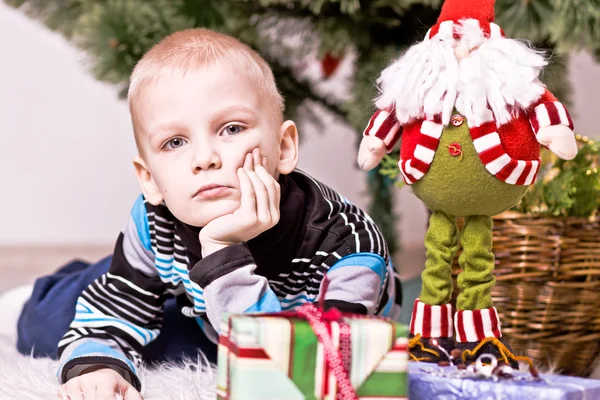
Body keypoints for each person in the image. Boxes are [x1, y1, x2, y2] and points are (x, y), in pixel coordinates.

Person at [15, 28, 402, 399]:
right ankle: (89, 276)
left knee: (203, 352)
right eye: (175, 142)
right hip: (198, 299)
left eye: (231, 129)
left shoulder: (346, 246)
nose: (204, 159)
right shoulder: (155, 219)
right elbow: (111, 318)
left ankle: (156, 285)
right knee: (48, 325)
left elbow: (295, 372)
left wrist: (222, 250)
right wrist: (100, 368)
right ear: (150, 179)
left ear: (283, 148)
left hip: (240, 313)